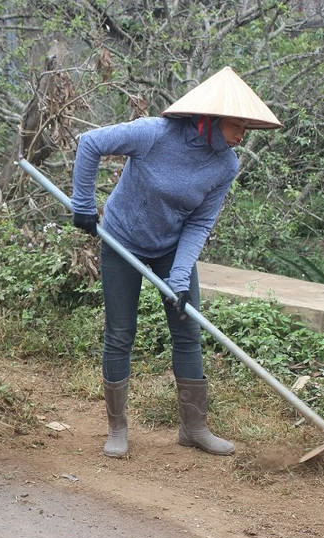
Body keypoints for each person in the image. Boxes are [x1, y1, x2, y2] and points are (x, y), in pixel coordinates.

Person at [69, 66, 282, 459]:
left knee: (187, 329)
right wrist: (83, 203)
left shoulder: (226, 165)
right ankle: (117, 429)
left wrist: (180, 276)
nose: (241, 136)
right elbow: (90, 143)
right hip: (121, 240)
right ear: (211, 119)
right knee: (120, 334)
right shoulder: (154, 133)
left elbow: (200, 222)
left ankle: (194, 427)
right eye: (237, 126)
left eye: (246, 129)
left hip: (170, 246)